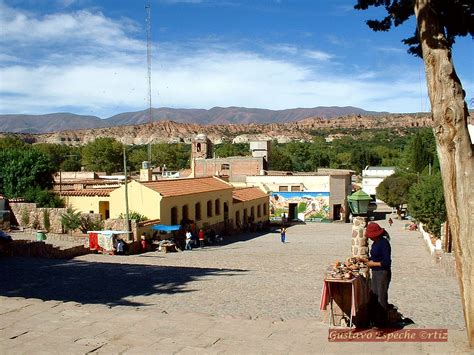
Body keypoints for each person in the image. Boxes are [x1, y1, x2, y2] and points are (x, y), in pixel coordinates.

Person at [361, 222, 392, 328]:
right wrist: (365, 260)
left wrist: (372, 264)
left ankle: (382, 324)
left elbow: (386, 262)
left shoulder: (384, 243)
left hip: (383, 273)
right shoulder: (375, 243)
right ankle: (373, 321)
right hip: (375, 272)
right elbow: (375, 258)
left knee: (381, 297)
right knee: (374, 295)